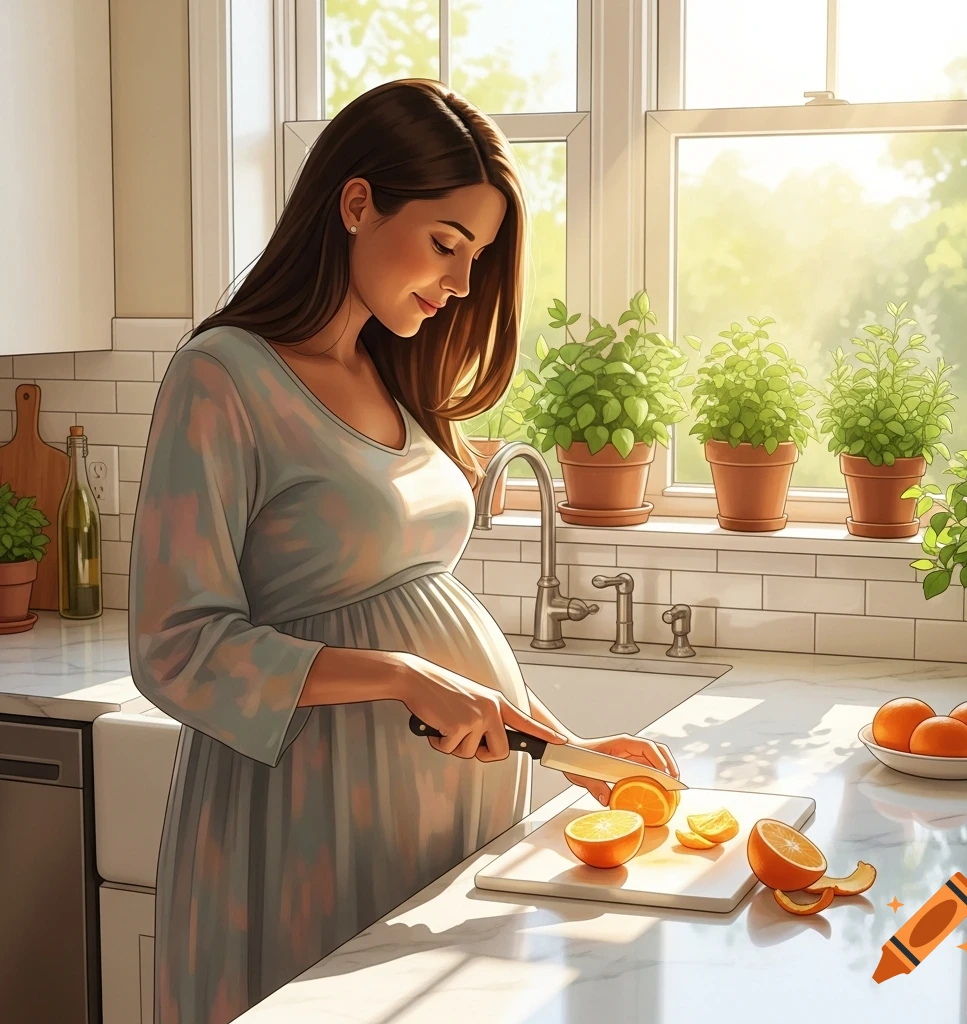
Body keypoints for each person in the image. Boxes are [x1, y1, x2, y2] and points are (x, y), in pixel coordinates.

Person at [129, 78, 680, 1024]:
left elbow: (433, 630)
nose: (462, 284)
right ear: (356, 203)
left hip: (442, 814)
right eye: (445, 244)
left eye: (479, 256)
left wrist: (570, 751)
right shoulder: (221, 377)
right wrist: (399, 675)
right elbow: (176, 647)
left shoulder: (393, 375)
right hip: (310, 819)